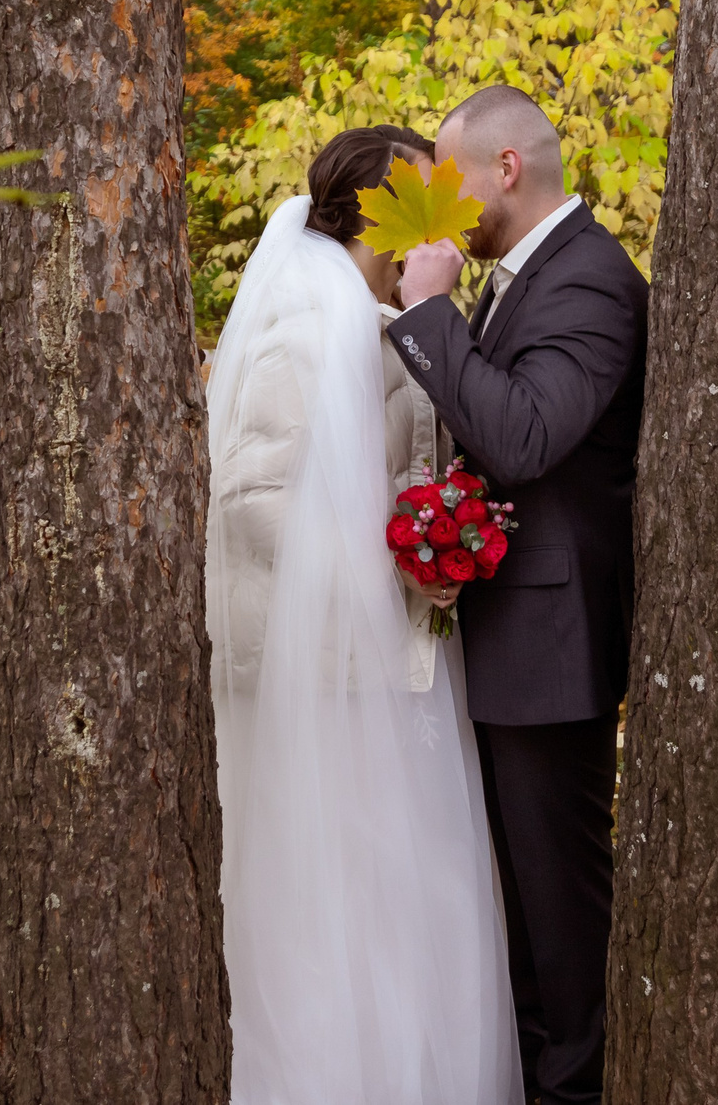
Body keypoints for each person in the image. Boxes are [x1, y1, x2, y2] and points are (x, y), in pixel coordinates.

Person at [206, 126, 524, 1105]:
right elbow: (256, 501)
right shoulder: (303, 321)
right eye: (424, 199)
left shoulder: (384, 310)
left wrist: (440, 539)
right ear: (383, 211)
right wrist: (397, 564)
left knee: (402, 898)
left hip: (387, 663)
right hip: (319, 672)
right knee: (328, 905)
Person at [385, 85, 648, 1105]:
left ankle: (577, 1090)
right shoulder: (522, 278)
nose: (441, 209)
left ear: (505, 170)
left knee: (559, 897)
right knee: (519, 893)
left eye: (451, 181)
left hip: (554, 642)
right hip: (511, 630)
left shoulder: (586, 278)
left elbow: (527, 435)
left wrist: (423, 312)